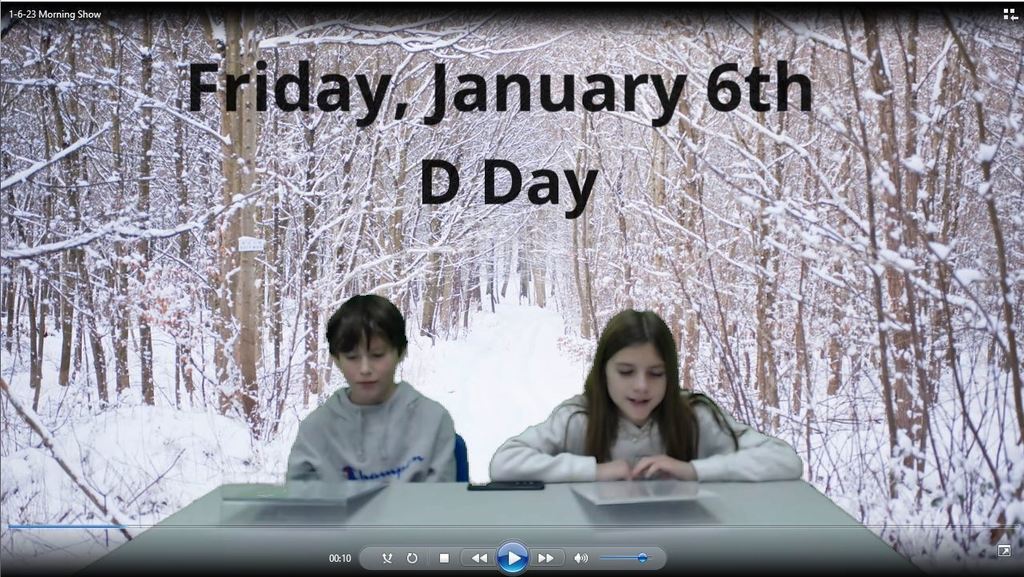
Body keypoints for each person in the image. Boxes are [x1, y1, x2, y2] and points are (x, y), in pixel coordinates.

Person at [489, 309, 803, 483]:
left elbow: (784, 460)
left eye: (656, 373)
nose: (641, 386)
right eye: (626, 372)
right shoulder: (577, 418)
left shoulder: (694, 416)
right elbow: (504, 463)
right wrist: (595, 472)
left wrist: (693, 470)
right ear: (603, 372)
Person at [287, 294, 456, 482]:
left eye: (377, 355)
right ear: (336, 360)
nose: (365, 369)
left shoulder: (433, 421)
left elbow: (439, 506)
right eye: (352, 357)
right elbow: (301, 507)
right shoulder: (315, 431)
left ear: (401, 352)